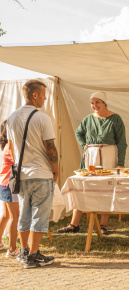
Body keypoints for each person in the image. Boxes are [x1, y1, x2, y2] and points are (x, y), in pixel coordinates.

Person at [58, 91, 127, 235]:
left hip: (109, 154)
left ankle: (102, 225)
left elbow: (121, 142)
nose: (94, 105)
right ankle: (74, 224)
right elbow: (79, 133)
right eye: (92, 103)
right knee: (84, 185)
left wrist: (120, 162)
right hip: (91, 155)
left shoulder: (115, 119)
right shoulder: (88, 119)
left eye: (97, 102)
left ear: (104, 102)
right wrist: (84, 144)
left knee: (107, 186)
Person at [7, 79, 58, 268]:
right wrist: (56, 170)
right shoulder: (42, 118)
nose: (45, 98)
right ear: (35, 95)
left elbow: (11, 149)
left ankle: (23, 251)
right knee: (40, 215)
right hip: (41, 173)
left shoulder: (11, 117)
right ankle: (33, 255)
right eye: (43, 95)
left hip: (22, 174)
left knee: (24, 214)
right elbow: (50, 148)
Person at [0, 120, 20, 257]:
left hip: (3, 182)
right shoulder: (11, 144)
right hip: (9, 184)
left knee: (7, 215)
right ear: (6, 132)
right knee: (15, 216)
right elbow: (17, 162)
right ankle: (12, 250)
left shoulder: (6, 144)